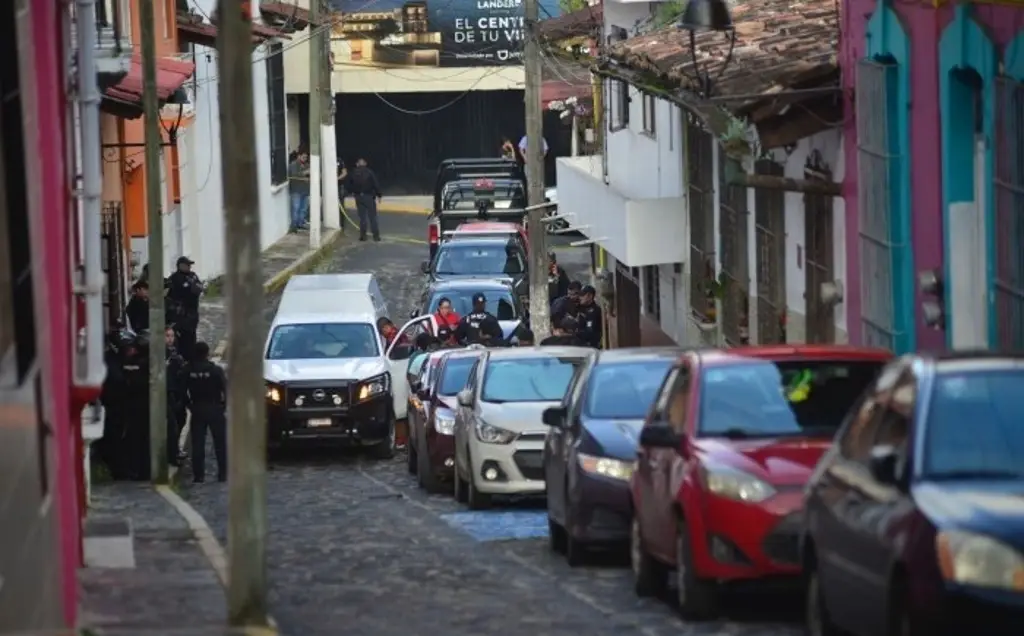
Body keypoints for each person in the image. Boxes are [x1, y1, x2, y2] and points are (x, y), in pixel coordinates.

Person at [186, 341, 228, 483]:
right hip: (214, 407)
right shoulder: (215, 370)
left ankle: (199, 475)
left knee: (198, 443)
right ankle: (223, 473)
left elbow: (181, 390)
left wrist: (189, 405)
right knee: (220, 443)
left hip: (197, 407)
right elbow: (225, 389)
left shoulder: (188, 370)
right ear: (207, 353)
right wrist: (224, 406)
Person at [166, 256, 203, 361]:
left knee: (191, 339)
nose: (189, 267)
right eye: (187, 265)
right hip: (179, 315)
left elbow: (198, 289)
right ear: (180, 266)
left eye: (189, 265)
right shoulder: (174, 278)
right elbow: (170, 294)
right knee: (179, 339)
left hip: (192, 314)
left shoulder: (192, 276)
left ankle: (191, 359)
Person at [165, 326, 188, 467]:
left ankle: (175, 449)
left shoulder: (174, 353)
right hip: (166, 392)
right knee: (172, 425)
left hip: (176, 392)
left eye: (172, 336)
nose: (170, 339)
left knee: (181, 419)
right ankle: (172, 454)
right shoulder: (162, 354)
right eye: (167, 335)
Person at [345, 157, 382, 242]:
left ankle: (363, 236)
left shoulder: (353, 172)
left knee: (362, 217)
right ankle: (376, 236)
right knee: (372, 217)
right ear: (365, 164)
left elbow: (348, 185)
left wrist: (351, 192)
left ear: (357, 164)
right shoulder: (370, 172)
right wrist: (379, 195)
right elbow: (376, 184)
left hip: (358, 197)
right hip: (369, 196)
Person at [288, 147, 311, 233]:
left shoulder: (307, 165)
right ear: (299, 156)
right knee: (295, 208)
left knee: (303, 209)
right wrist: (305, 172)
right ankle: (294, 226)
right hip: (296, 191)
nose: (305, 159)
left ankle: (300, 223)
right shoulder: (293, 164)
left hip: (305, 190)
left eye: (306, 157)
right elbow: (294, 175)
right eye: (303, 157)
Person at [576, 284, 603, 348]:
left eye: (582, 295)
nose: (580, 297)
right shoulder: (580, 308)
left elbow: (590, 332)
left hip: (590, 346)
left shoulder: (595, 311)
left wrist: (573, 333)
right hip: (580, 344)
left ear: (590, 296)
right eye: (580, 295)